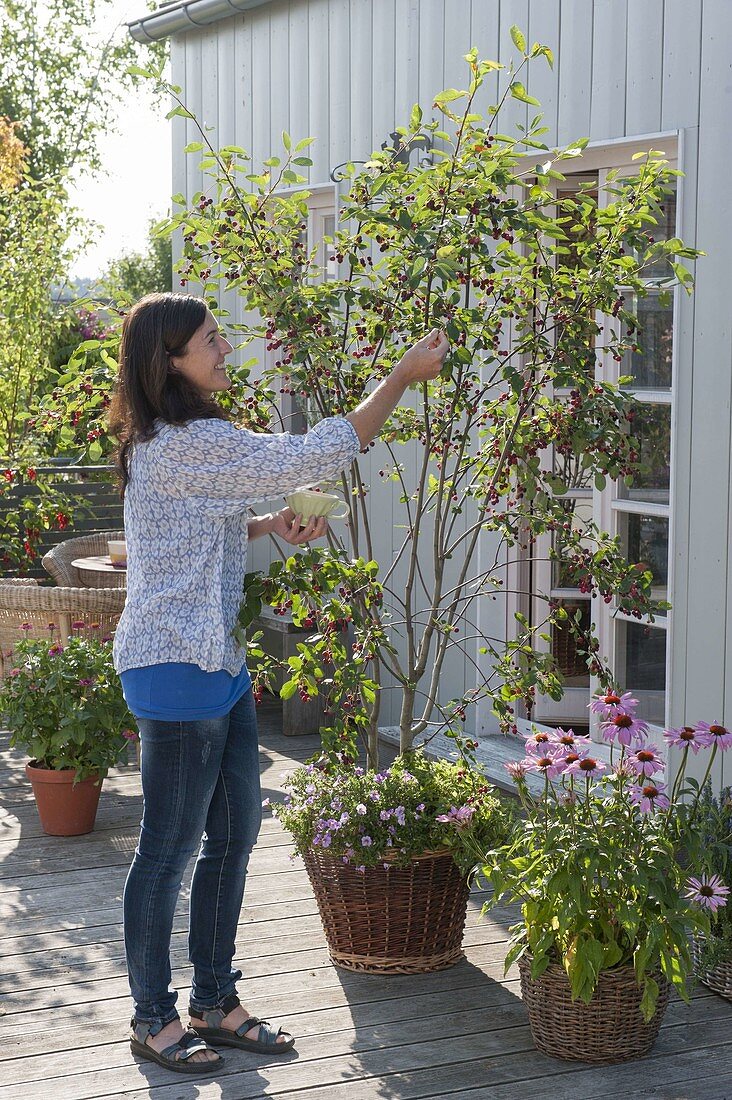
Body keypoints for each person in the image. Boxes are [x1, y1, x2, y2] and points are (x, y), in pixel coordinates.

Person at [108, 291, 449, 1075]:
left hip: (218, 667)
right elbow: (311, 455)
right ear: (171, 361)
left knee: (231, 839)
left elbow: (205, 522)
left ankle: (215, 1001)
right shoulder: (186, 443)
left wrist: (270, 525)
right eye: (211, 340)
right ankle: (153, 1017)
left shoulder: (186, 438)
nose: (225, 349)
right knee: (167, 851)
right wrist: (398, 377)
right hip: (176, 671)